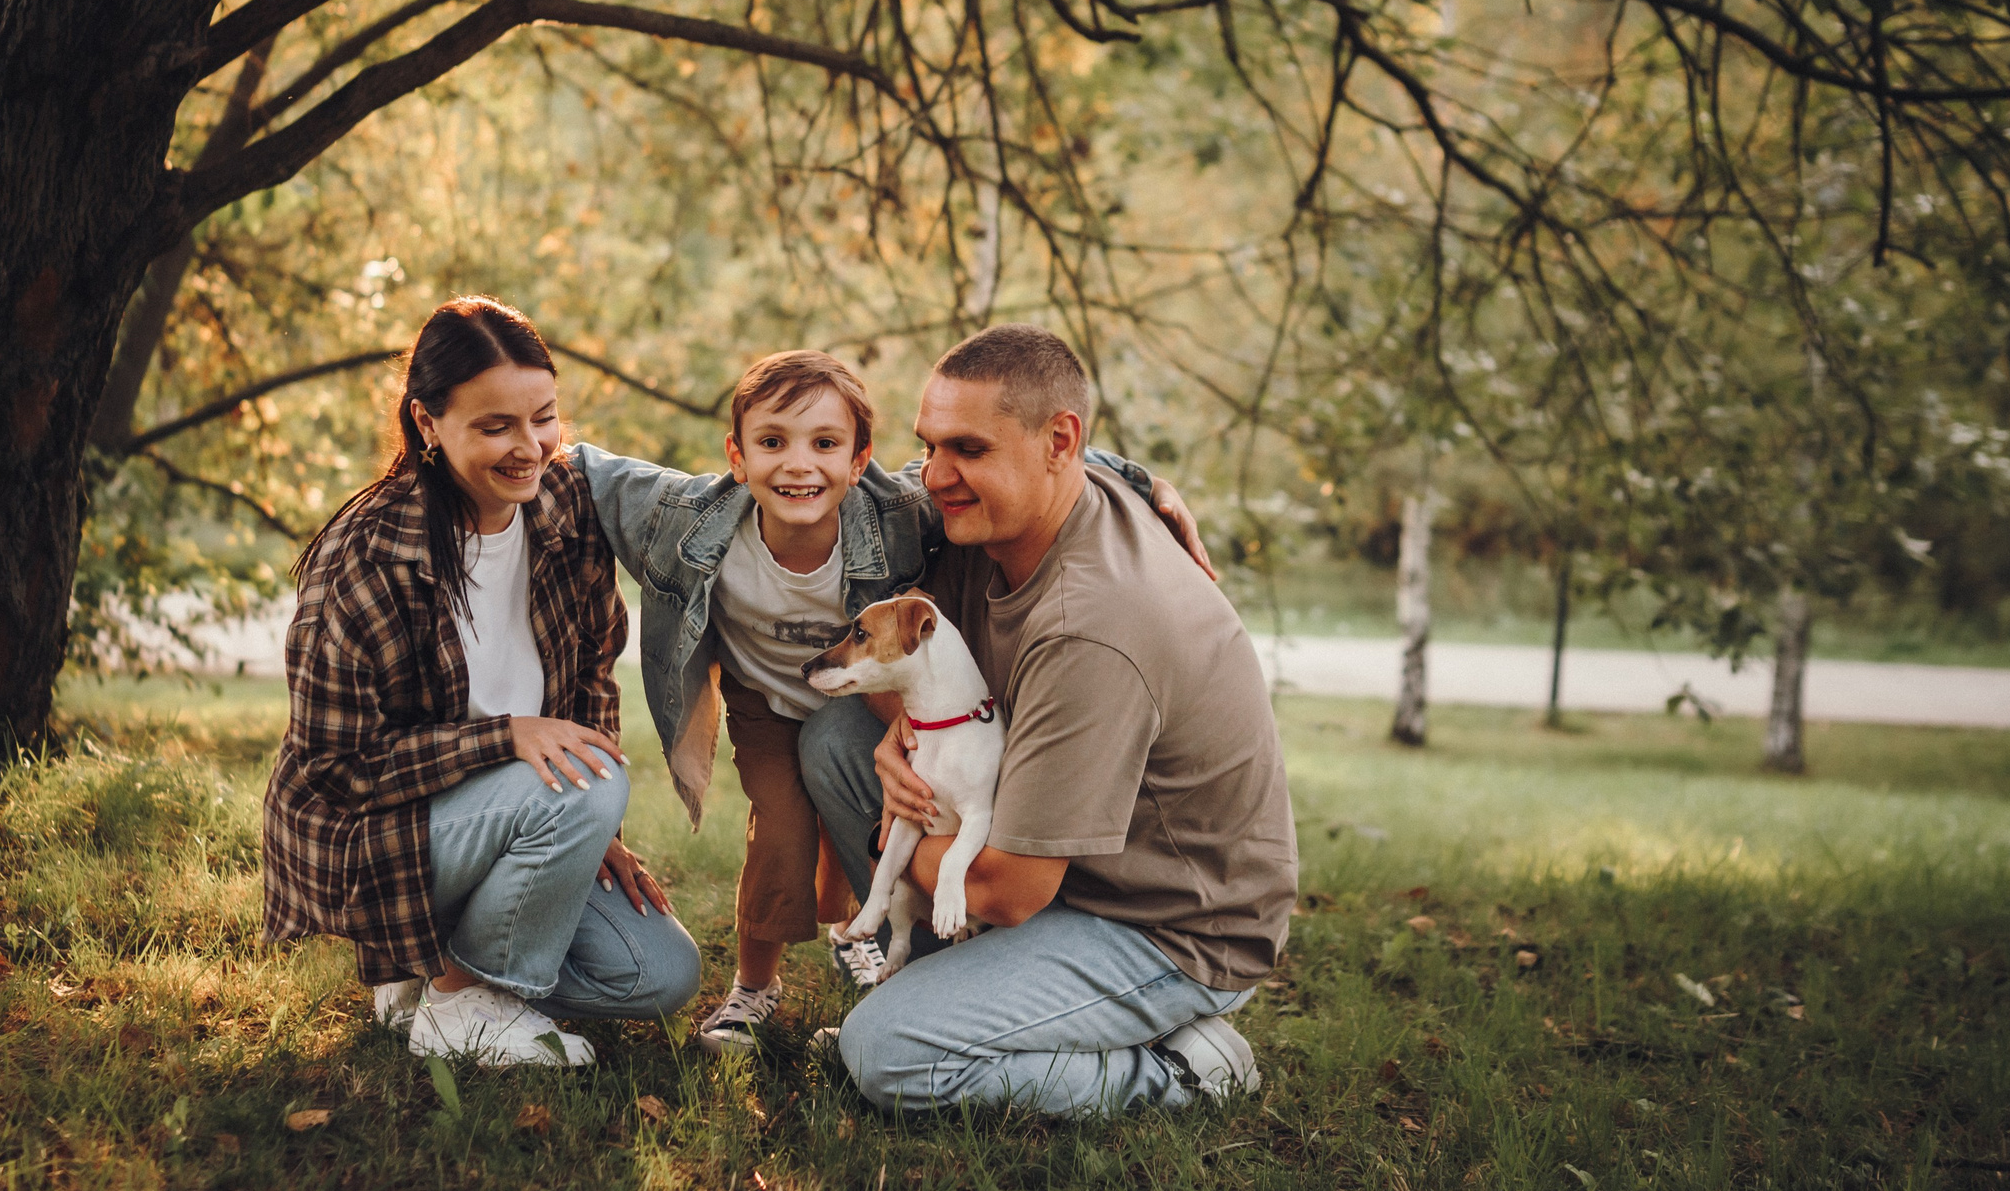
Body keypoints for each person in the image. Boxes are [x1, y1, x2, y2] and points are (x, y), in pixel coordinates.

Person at [575, 352, 1210, 1051]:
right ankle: (754, 987)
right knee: (782, 831)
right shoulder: (691, 518)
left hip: (862, 698)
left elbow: (1034, 452)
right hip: (766, 700)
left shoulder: (898, 510)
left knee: (888, 798)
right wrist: (525, 445)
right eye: (772, 442)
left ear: (860, 460)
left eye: (824, 443)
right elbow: (592, 471)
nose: (798, 465)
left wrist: (1144, 481)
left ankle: (872, 936)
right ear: (737, 454)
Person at [801, 324, 1298, 1115]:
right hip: (1054, 865)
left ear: (1061, 442)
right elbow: (822, 487)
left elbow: (1006, 890)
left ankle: (1181, 1070)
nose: (935, 476)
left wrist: (883, 840)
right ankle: (949, 988)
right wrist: (906, 725)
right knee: (835, 738)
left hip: (1165, 924)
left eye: (967, 449)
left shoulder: (1091, 627)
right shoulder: (1000, 511)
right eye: (929, 445)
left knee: (885, 1054)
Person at [262, 296, 700, 1067]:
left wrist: (595, 834)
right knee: (588, 781)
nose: (529, 448)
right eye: (496, 427)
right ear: (428, 423)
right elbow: (336, 768)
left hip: (521, 819)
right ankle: (461, 1001)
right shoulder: (367, 558)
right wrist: (506, 741)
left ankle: (425, 971)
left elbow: (591, 676)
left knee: (660, 973)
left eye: (544, 418)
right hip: (384, 839)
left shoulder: (565, 505)